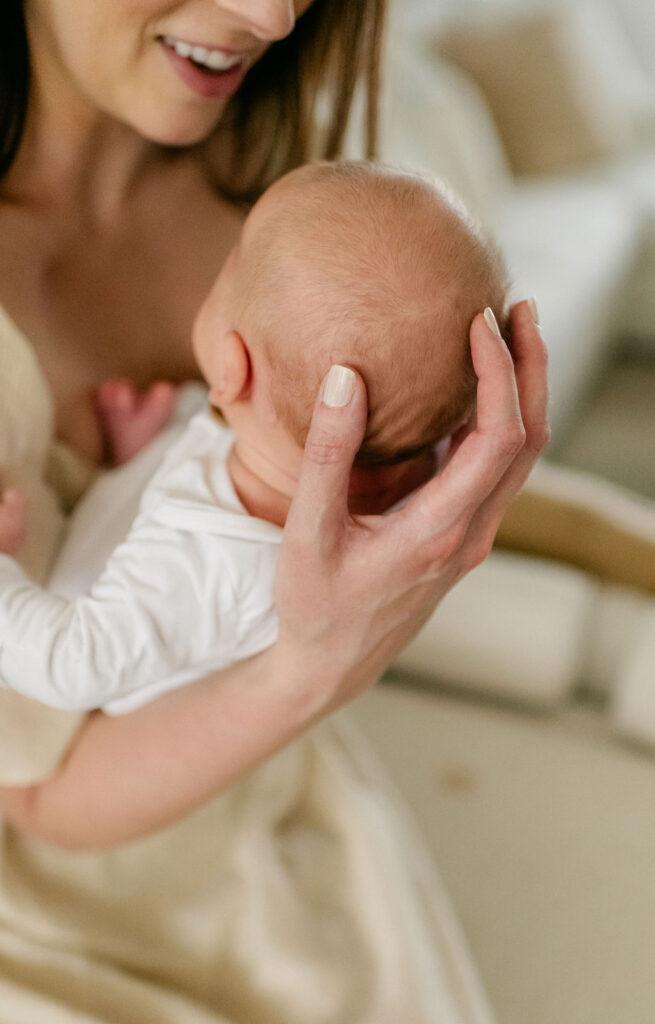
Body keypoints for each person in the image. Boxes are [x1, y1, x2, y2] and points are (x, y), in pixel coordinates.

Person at [0, 1, 549, 1022]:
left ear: (230, 365)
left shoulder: (325, 214)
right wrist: (317, 664)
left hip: (269, 822)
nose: (274, 12)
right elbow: (35, 799)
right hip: (65, 901)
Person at [0, 160, 508, 714]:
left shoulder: (209, 564)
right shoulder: (270, 462)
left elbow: (71, 666)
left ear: (230, 365)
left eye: (230, 266)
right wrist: (143, 454)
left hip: (48, 642)